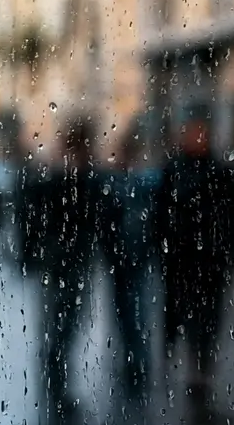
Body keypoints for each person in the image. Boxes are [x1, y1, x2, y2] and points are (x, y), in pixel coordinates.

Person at [154, 104, 234, 418]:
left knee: (209, 317)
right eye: (192, 131)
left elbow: (233, 218)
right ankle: (193, 366)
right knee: (187, 315)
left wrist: (229, 253)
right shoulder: (173, 171)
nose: (197, 137)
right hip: (181, 259)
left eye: (201, 131)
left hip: (211, 260)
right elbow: (160, 216)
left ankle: (202, 369)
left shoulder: (220, 172)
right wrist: (164, 253)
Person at [19, 115, 99, 425]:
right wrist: (31, 254)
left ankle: (55, 376)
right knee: (58, 321)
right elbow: (34, 219)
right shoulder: (57, 179)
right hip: (58, 261)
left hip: (72, 261)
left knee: (67, 322)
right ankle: (54, 378)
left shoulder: (83, 180)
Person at [98, 126, 160, 406]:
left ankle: (137, 359)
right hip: (121, 259)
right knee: (127, 307)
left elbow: (154, 221)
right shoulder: (119, 182)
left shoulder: (144, 182)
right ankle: (133, 356)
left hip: (134, 258)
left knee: (133, 307)